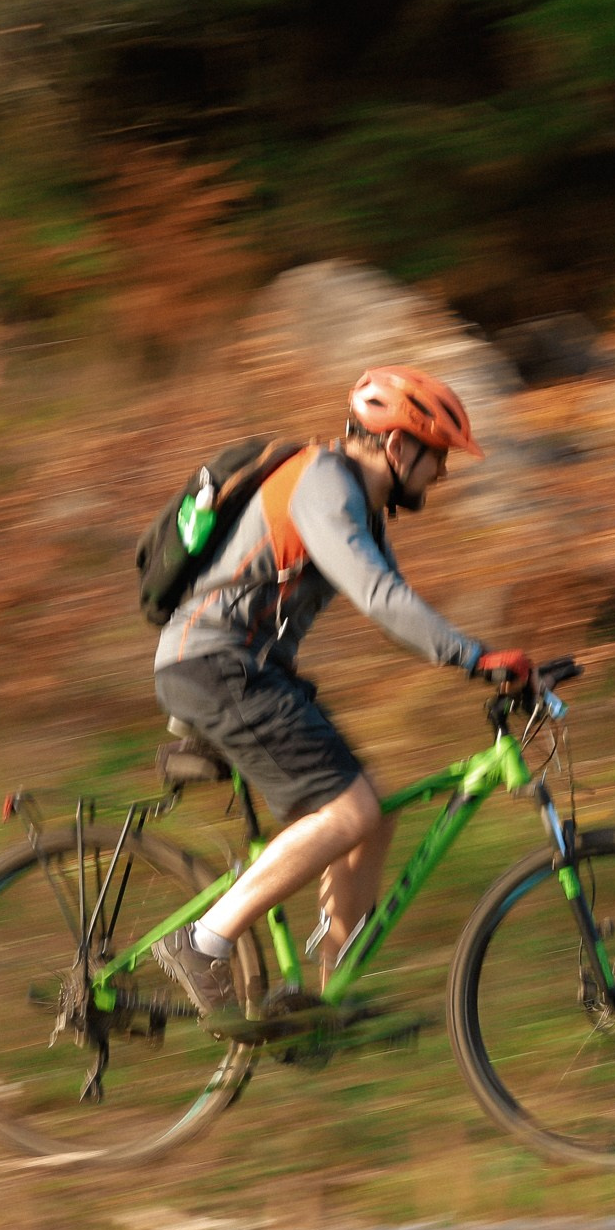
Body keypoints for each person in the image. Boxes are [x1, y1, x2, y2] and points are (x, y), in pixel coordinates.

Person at [149, 366, 530, 1019]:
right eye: (438, 457)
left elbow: (395, 604)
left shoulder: (359, 507)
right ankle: (203, 943)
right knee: (349, 812)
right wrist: (475, 658)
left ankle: (328, 996)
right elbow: (379, 597)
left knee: (372, 811)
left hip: (248, 670)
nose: (441, 475)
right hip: (214, 664)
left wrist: (496, 663)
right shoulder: (322, 482)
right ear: (398, 446)